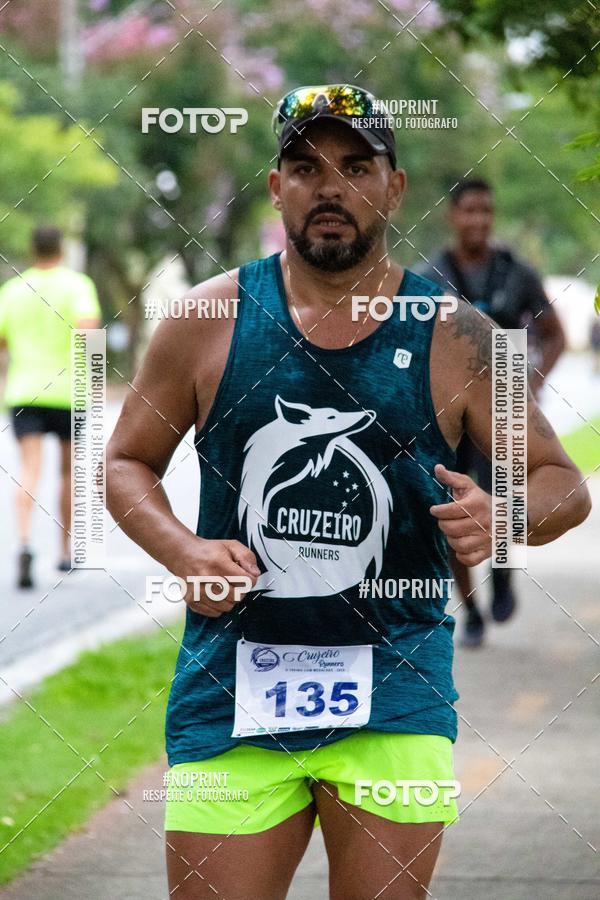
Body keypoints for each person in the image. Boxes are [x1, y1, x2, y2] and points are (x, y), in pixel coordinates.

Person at [106, 85, 590, 899]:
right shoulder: (205, 318)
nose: (329, 188)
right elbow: (126, 462)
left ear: (393, 187)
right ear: (275, 187)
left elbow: (564, 484)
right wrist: (182, 550)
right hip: (231, 692)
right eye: (304, 167)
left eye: (355, 166)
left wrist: (504, 515)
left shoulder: (459, 331)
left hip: (396, 690)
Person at [418, 178, 566, 647]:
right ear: (452, 216)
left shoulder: (516, 273)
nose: (478, 220)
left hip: (504, 396)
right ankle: (471, 610)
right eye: (469, 211)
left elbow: (554, 332)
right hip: (446, 407)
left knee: (504, 497)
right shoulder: (430, 276)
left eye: (486, 211)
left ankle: (503, 577)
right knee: (450, 506)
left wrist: (533, 387)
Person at [0, 226, 101, 588]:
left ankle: (25, 542)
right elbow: (89, 330)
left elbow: (2, 340)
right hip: (68, 392)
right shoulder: (78, 286)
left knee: (29, 468)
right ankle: (64, 550)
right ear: (61, 249)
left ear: (32, 249)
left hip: (24, 390)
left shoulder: (13, 290)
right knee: (66, 473)